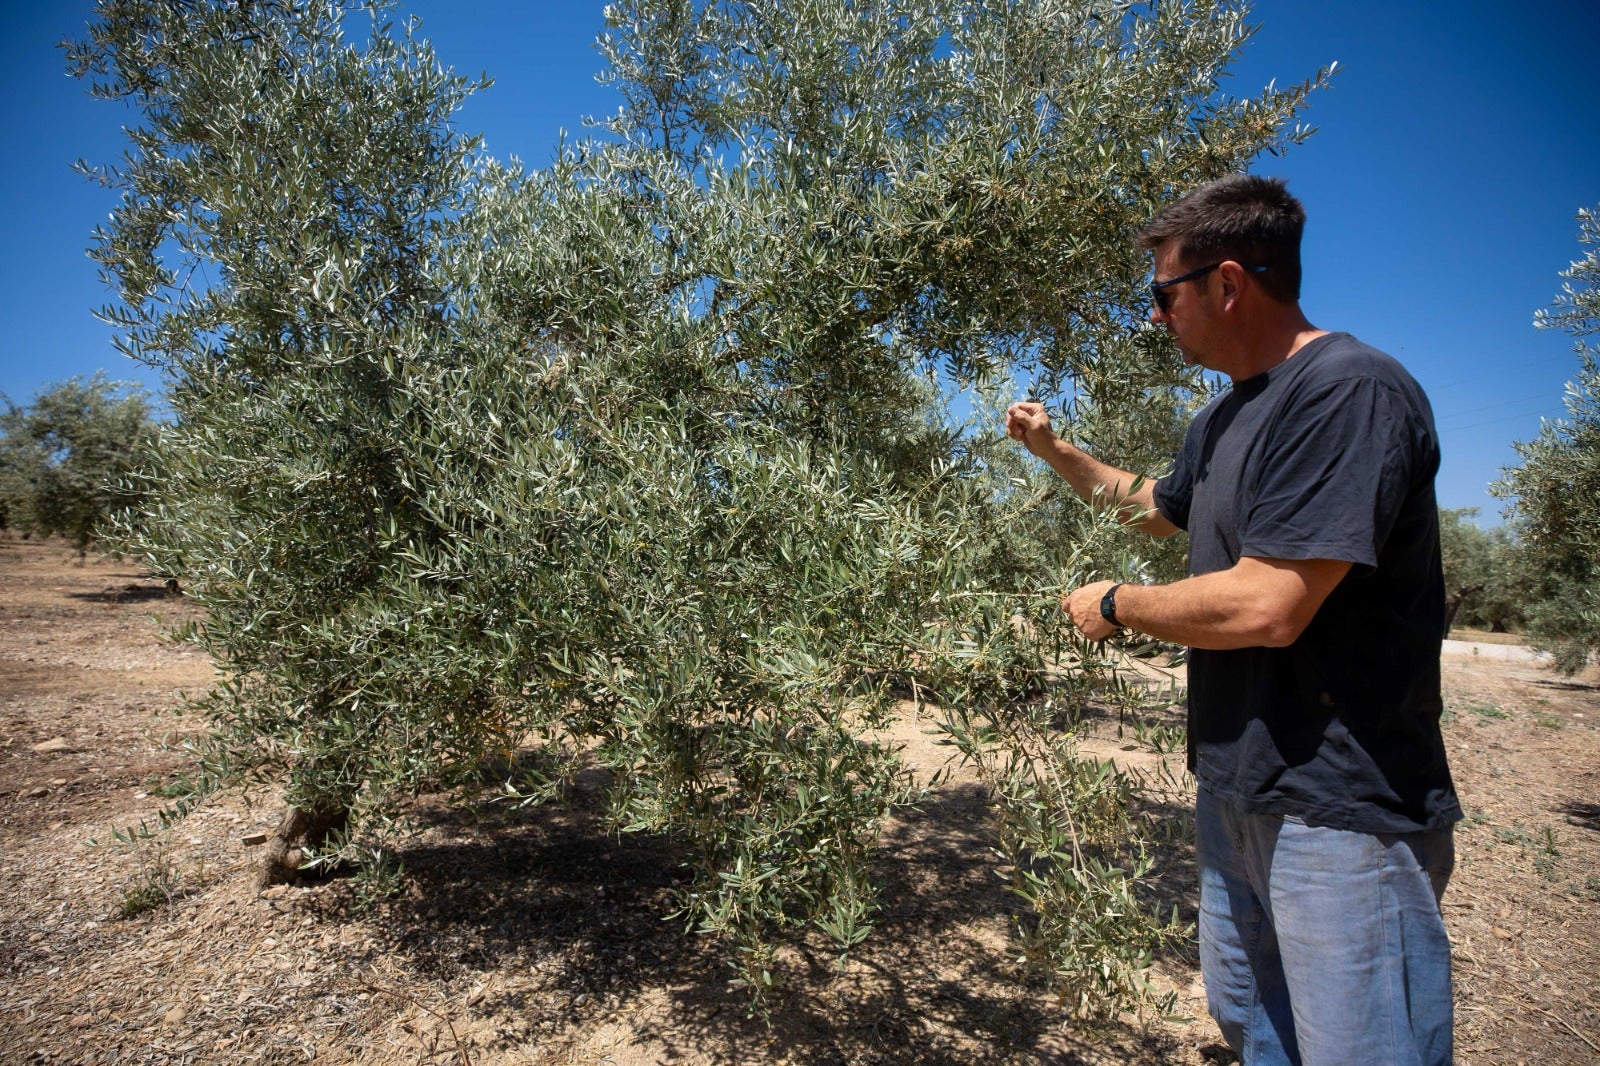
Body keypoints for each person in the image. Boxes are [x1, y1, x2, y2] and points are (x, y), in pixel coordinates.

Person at [1005, 174, 1460, 1066]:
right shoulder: (1222, 416)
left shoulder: (1347, 392)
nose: (1154, 318)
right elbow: (1153, 508)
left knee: (1360, 1048)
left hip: (1342, 805)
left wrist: (1116, 604)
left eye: (1161, 295)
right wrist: (1053, 449)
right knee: (1256, 1028)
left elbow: (1270, 602)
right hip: (1239, 785)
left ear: (1225, 283)